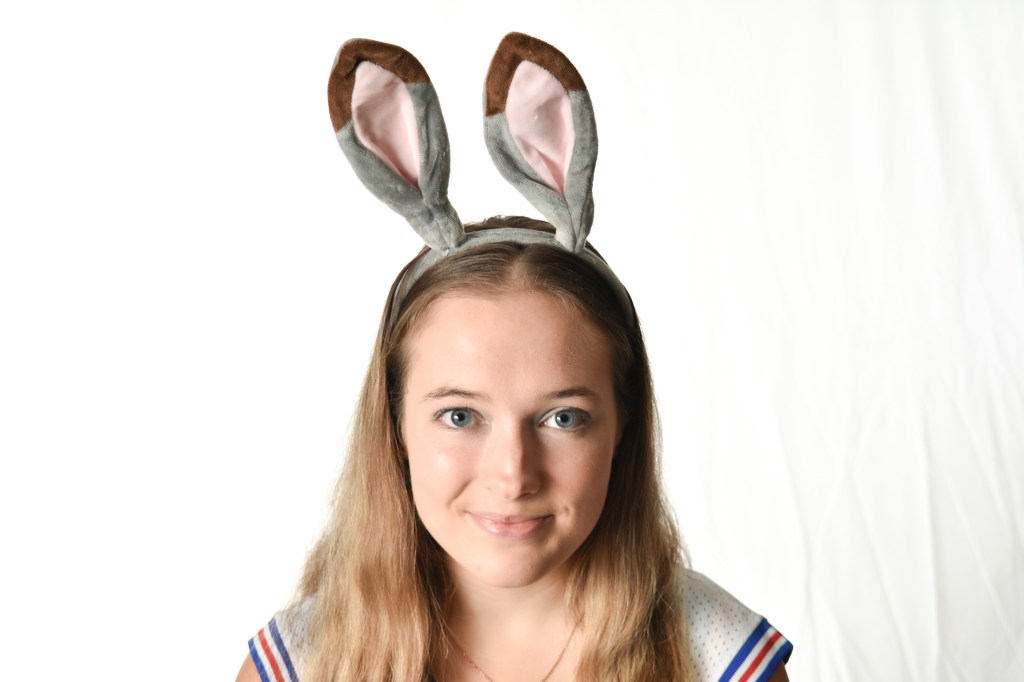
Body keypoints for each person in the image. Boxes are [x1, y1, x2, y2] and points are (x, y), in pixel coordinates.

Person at [236, 33, 792, 682]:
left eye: (563, 418)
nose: (512, 475)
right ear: (395, 426)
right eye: (460, 416)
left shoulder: (718, 657)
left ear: (623, 424)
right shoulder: (302, 662)